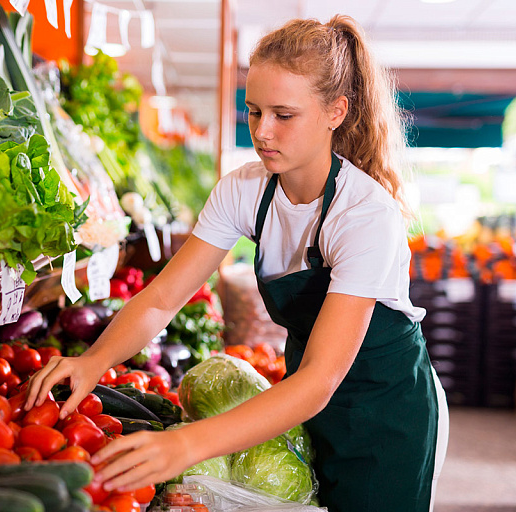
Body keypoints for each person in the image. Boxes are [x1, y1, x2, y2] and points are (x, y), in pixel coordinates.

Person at [25, 14, 449, 511]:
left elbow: (320, 378)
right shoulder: (246, 189)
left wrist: (186, 444)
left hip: (384, 414)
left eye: (283, 115)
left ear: (336, 111)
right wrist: (93, 361)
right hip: (305, 400)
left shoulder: (364, 216)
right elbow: (163, 299)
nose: (263, 132)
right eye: (253, 112)